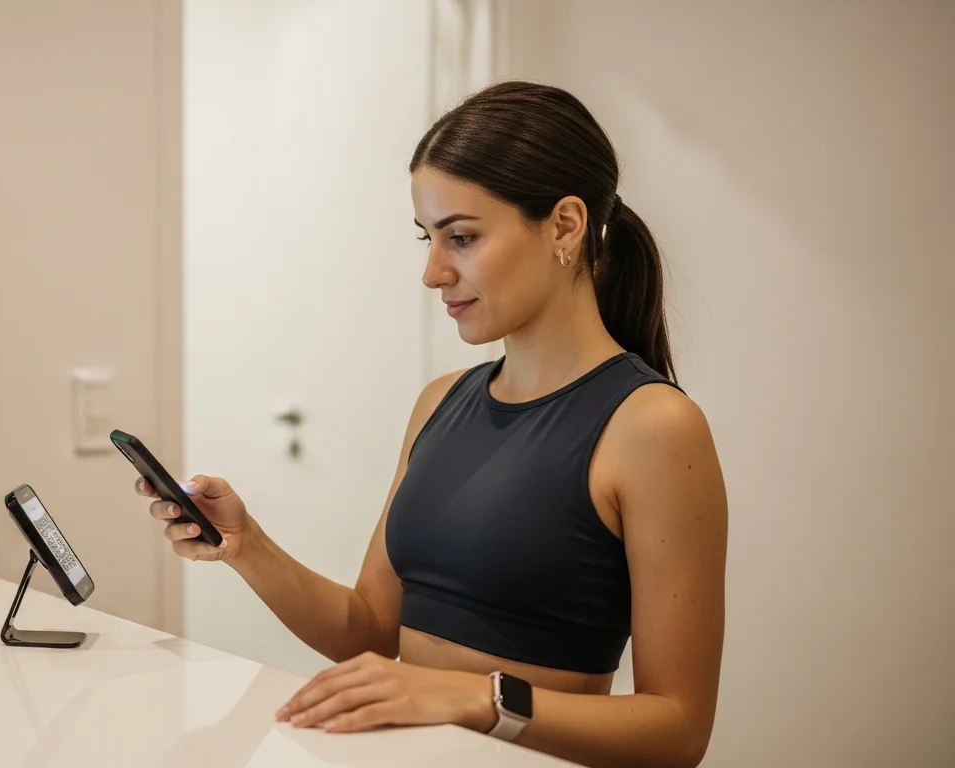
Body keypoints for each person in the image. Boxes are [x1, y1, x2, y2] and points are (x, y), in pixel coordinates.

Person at [138, 81, 727, 768]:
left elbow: (678, 730)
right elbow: (370, 628)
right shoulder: (441, 401)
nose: (432, 271)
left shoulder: (653, 426)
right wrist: (246, 545)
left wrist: (475, 698)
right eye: (429, 238)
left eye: (463, 237)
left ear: (565, 226)